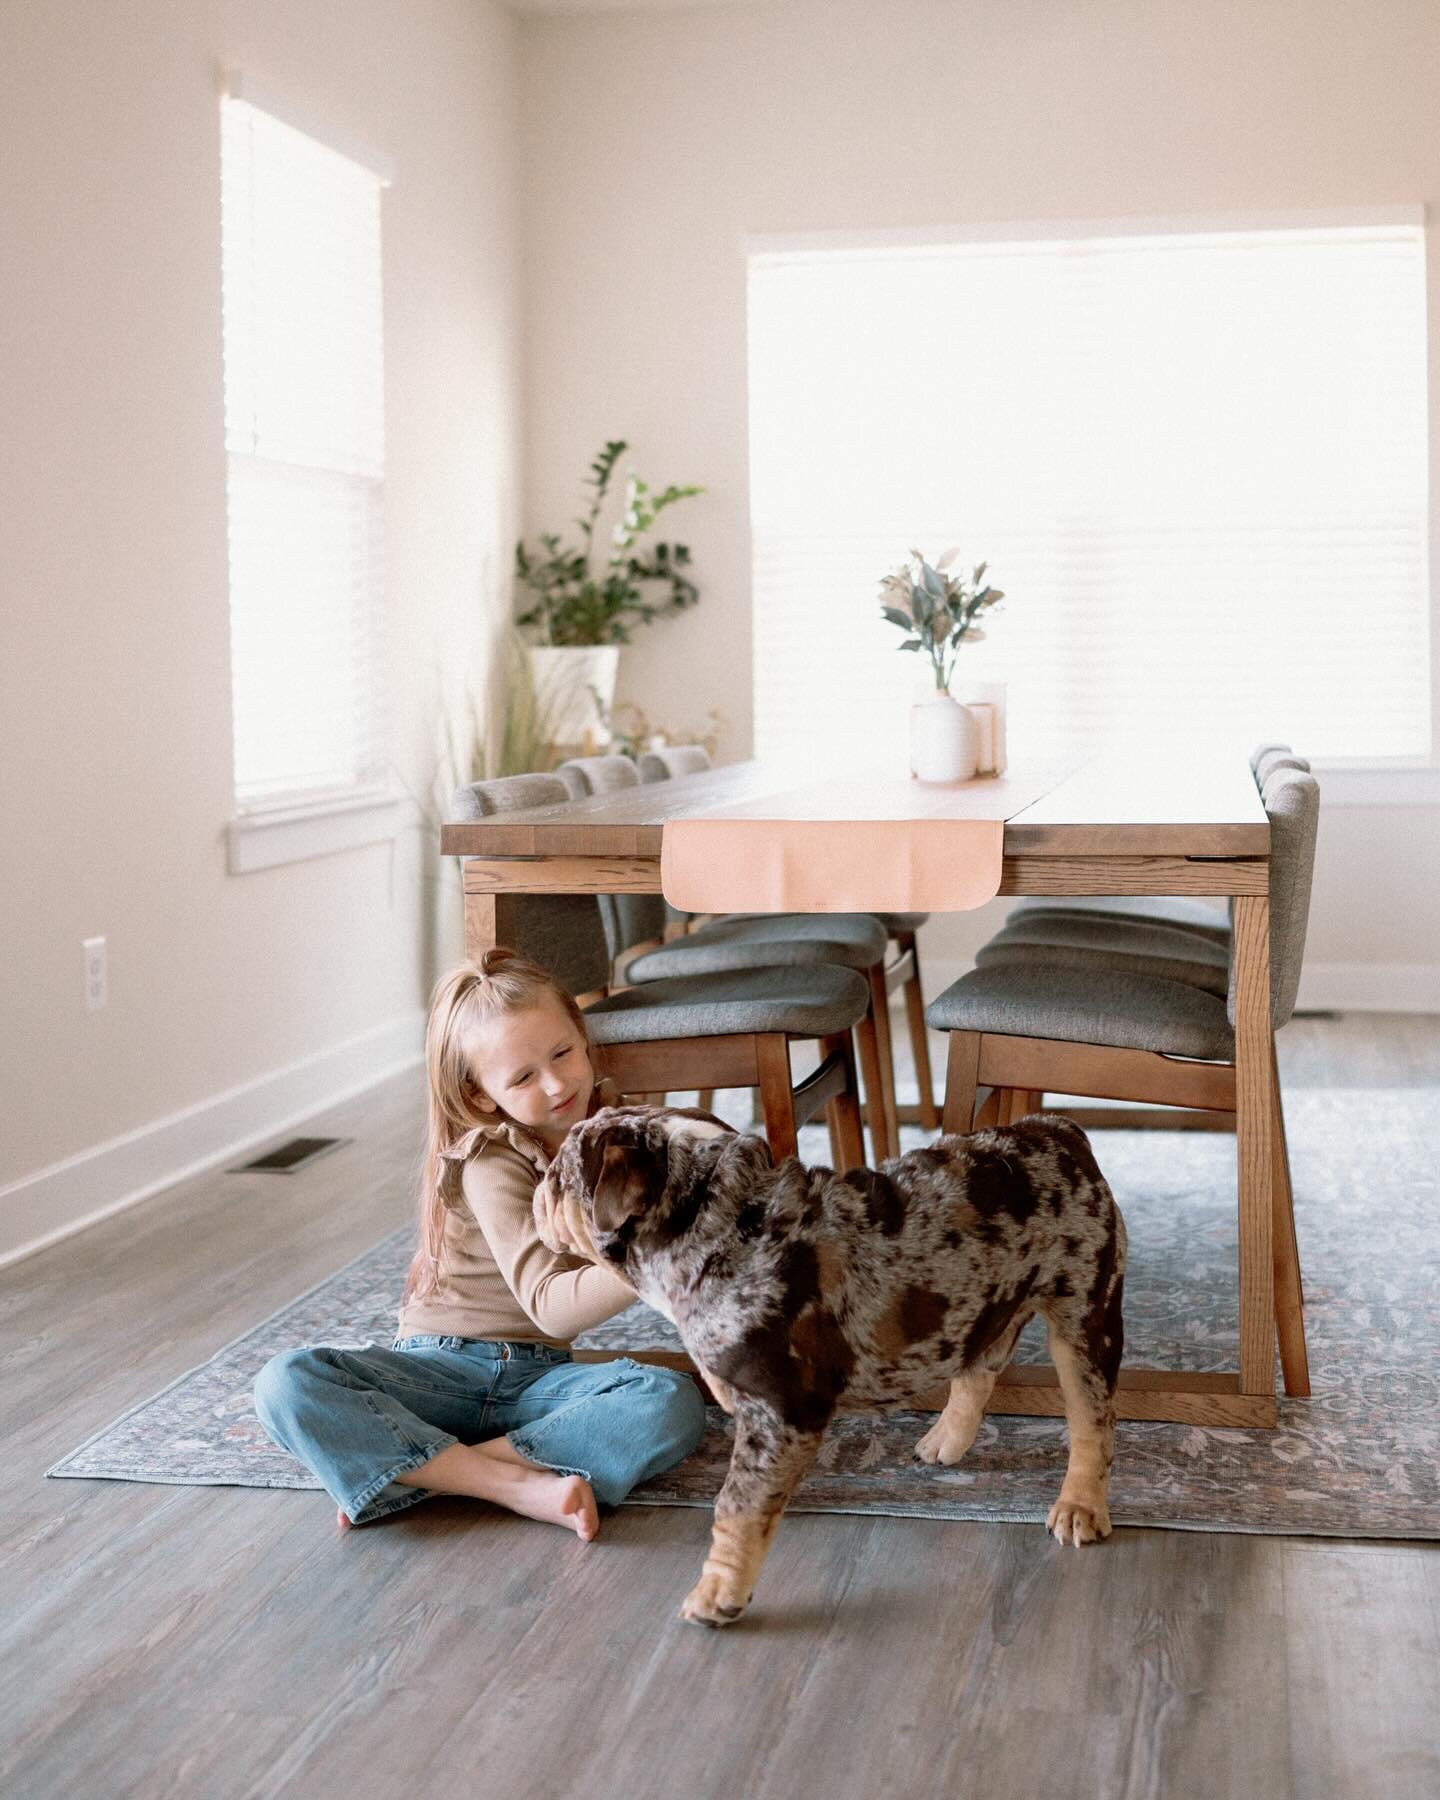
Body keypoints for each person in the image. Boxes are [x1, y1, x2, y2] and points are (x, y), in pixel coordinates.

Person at [253, 950, 706, 1541]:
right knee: (286, 1382)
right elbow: (552, 1304)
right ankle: (511, 1483)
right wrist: (655, 1245)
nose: (556, 1082)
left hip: (538, 1381)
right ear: (483, 1095)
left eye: (563, 1053)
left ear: (581, 1034)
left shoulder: (605, 1134)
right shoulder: (489, 1159)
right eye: (522, 1077)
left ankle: (430, 1470)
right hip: (438, 1372)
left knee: (669, 1400)